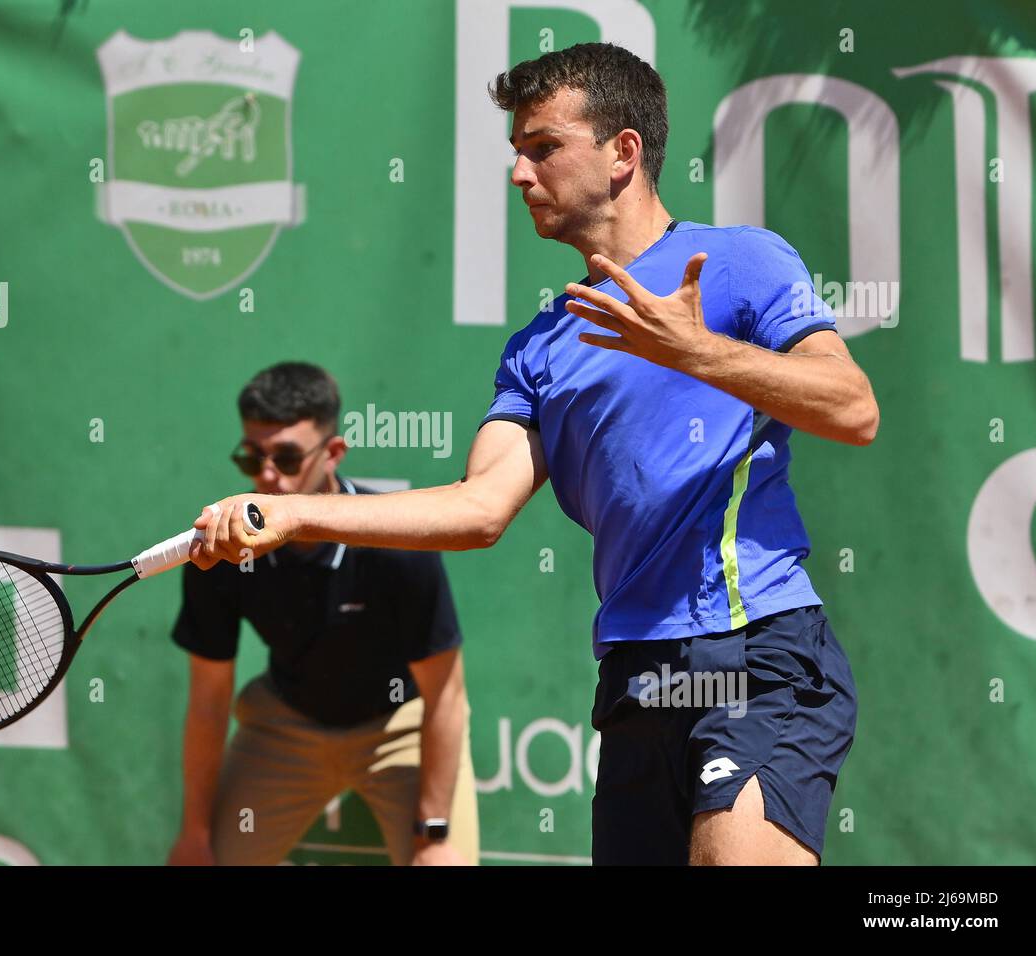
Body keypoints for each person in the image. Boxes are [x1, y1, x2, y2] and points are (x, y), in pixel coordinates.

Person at [187, 43, 878, 866]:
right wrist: (292, 513)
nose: (520, 172)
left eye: (543, 147)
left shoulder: (740, 261)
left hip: (755, 649)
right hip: (635, 677)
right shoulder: (538, 350)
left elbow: (853, 407)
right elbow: (477, 509)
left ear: (624, 152)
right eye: (516, 151)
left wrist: (698, 352)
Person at [166, 361, 478, 866]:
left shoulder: (395, 545)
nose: (268, 476)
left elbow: (446, 694)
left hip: (397, 725)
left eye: (287, 457)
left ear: (332, 453)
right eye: (253, 457)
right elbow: (208, 700)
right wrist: (195, 834)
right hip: (284, 723)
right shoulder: (221, 554)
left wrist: (434, 833)